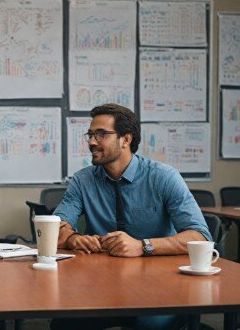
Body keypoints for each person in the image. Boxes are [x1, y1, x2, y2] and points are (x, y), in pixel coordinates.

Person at [51, 103, 211, 330]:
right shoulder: (82, 180)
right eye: (90, 134)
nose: (91, 142)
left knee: (151, 324)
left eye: (101, 134)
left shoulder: (164, 177)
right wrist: (71, 238)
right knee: (65, 324)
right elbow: (57, 227)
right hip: (101, 282)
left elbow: (201, 237)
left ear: (126, 140)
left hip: (160, 282)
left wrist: (142, 246)